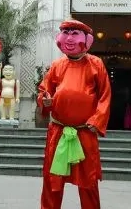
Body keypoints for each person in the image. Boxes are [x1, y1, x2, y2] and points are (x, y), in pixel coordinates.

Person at [37, 19, 112, 209]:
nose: (70, 38)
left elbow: (105, 96)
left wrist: (97, 120)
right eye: (66, 33)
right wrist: (44, 100)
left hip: (84, 132)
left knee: (88, 182)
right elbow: (45, 90)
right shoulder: (56, 65)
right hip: (58, 131)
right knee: (52, 180)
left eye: (74, 33)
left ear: (86, 40)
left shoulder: (96, 64)